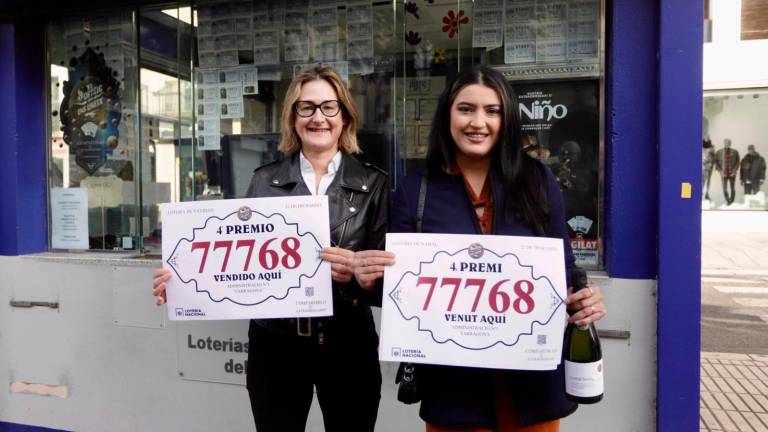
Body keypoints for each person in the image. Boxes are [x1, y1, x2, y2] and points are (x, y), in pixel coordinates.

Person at [355, 66, 606, 432]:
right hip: (455, 389)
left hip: (531, 386)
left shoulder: (537, 179)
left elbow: (564, 275)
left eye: (493, 111)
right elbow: (398, 289)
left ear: (507, 119)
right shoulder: (415, 189)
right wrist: (369, 279)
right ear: (447, 115)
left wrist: (585, 300)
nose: (479, 122)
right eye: (466, 109)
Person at [153, 65, 389, 432]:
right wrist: (181, 278)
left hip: (348, 344)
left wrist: (359, 277)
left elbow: (392, 285)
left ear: (344, 116)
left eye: (329, 107)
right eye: (305, 107)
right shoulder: (263, 181)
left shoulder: (374, 184)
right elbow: (232, 256)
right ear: (292, 118)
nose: (318, 118)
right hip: (275, 346)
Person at [715, 138, 740, 205]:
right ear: (724, 143)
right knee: (724, 189)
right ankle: (727, 200)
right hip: (724, 174)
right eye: (726, 143)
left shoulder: (735, 152)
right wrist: (720, 171)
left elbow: (738, 162)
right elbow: (716, 163)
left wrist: (734, 170)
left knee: (732, 188)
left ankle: (732, 201)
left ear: (730, 143)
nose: (727, 144)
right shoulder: (719, 152)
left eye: (729, 143)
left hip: (732, 174)